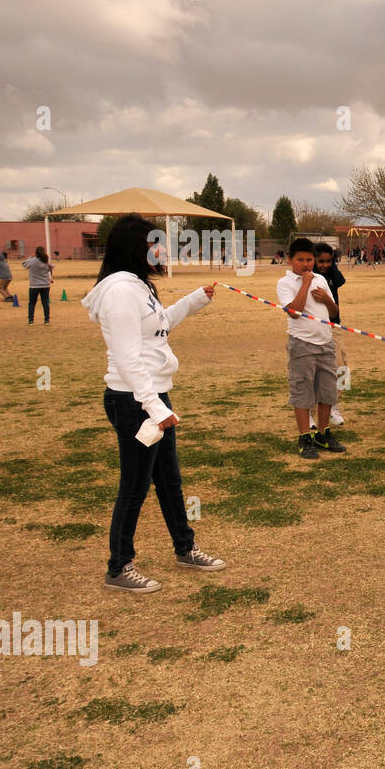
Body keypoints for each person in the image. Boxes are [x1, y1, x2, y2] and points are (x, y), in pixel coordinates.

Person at [80, 213, 227, 593]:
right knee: (135, 486)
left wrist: (194, 302)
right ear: (134, 247)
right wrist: (155, 408)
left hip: (152, 396)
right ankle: (118, 567)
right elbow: (128, 357)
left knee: (168, 481)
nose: (161, 250)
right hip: (134, 402)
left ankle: (185, 548)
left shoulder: (138, 285)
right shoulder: (120, 291)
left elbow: (158, 325)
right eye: (153, 242)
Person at [278, 238, 346, 457]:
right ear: (290, 260)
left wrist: (326, 298)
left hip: (325, 342)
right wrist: (305, 284)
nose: (306, 264)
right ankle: (305, 436)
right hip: (302, 344)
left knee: (328, 391)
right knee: (302, 389)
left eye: (309, 259)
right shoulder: (285, 283)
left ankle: (324, 433)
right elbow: (293, 312)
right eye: (301, 260)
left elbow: (334, 312)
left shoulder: (321, 279)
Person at [312, 243, 347, 426]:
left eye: (328, 261)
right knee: (313, 370)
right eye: (321, 261)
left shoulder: (333, 275)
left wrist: (332, 266)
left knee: (342, 368)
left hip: (334, 325)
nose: (325, 265)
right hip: (313, 326)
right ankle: (310, 411)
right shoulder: (309, 277)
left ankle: (334, 405)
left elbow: (341, 280)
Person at [24, 246, 53, 324]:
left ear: (36, 253)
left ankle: (31, 320)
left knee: (32, 303)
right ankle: (47, 320)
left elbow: (24, 264)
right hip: (45, 285)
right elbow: (51, 267)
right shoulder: (46, 261)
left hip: (34, 285)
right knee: (45, 303)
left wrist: (31, 257)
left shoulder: (32, 261)